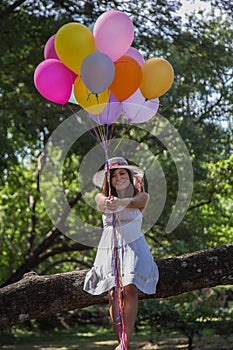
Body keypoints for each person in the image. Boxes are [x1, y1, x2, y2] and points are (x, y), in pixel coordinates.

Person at [83, 157, 159, 349]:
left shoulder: (142, 196)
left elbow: (135, 202)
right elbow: (103, 205)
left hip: (134, 245)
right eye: (113, 175)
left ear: (130, 176)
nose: (118, 177)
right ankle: (121, 343)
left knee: (130, 288)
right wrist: (111, 203)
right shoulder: (101, 197)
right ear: (108, 180)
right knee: (113, 291)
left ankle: (126, 340)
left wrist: (120, 202)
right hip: (110, 246)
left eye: (122, 173)